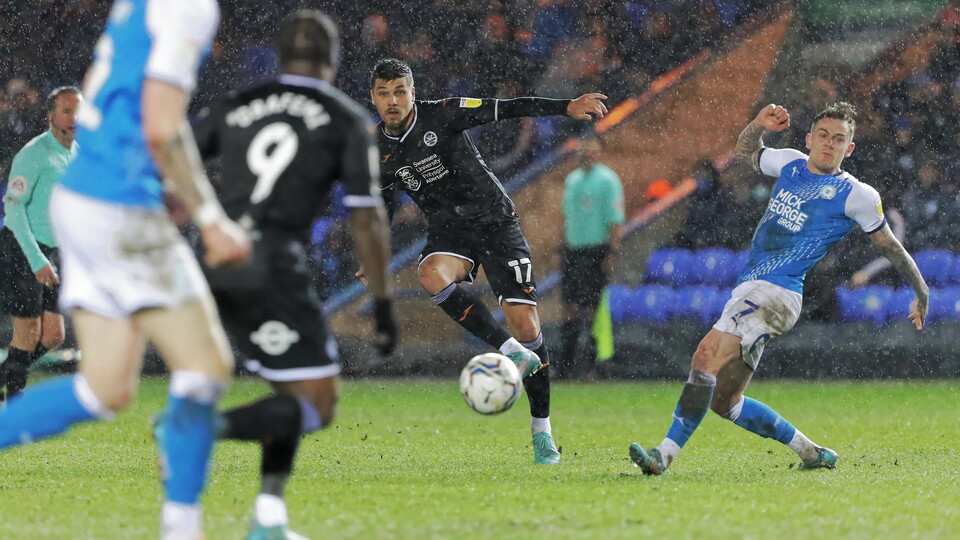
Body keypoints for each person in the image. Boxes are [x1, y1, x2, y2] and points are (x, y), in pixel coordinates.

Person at [0, 1, 252, 538]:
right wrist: (210, 217)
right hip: (117, 207)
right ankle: (181, 528)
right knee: (206, 367)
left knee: (105, 388)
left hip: (86, 203)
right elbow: (162, 125)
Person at [629, 102, 930, 475]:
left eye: (839, 139)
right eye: (823, 135)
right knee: (725, 402)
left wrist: (921, 290)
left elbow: (889, 246)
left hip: (779, 291)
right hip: (752, 286)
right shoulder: (788, 162)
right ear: (809, 139)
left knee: (705, 355)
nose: (829, 144)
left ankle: (663, 455)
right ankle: (811, 451)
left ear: (849, 149)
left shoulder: (857, 195)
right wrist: (757, 124)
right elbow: (744, 152)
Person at [191, 10, 397, 538]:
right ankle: (194, 429)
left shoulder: (238, 103)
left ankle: (268, 517)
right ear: (333, 59)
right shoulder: (344, 117)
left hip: (212, 260)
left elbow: (176, 162)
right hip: (272, 270)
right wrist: (384, 300)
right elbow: (368, 219)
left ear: (278, 56)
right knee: (316, 403)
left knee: (288, 392)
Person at [359, 58, 607, 464]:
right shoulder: (377, 149)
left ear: (413, 92)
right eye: (384, 93)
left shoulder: (444, 113)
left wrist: (565, 106)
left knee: (528, 325)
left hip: (495, 223)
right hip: (449, 231)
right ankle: (509, 350)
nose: (393, 101)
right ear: (373, 97)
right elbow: (385, 201)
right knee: (430, 273)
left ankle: (542, 432)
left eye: (400, 91)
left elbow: (507, 107)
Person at [0, 87, 79, 400]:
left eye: (78, 112)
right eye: (66, 111)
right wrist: (36, 260)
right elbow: (13, 210)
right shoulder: (35, 154)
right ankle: (14, 409)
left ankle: (8, 375)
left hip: (53, 252)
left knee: (53, 335)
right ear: (50, 115)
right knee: (28, 332)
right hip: (23, 249)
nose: (74, 118)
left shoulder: (77, 153)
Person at [557, 137, 624, 379]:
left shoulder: (607, 180)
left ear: (600, 151)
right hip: (574, 252)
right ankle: (565, 366)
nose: (588, 153)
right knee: (569, 307)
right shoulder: (572, 180)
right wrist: (562, 246)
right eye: (584, 148)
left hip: (597, 251)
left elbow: (615, 219)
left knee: (595, 308)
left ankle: (596, 365)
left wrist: (612, 251)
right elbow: (567, 217)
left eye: (593, 148)